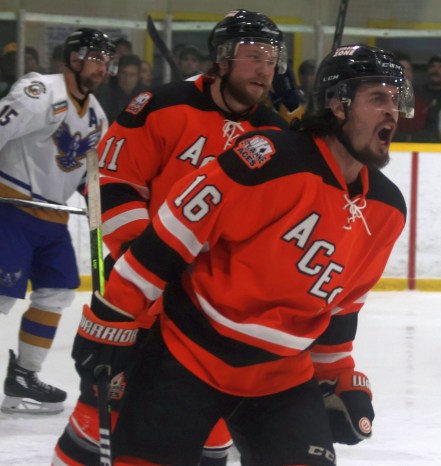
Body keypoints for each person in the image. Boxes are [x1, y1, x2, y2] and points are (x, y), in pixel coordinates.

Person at [68, 43, 413, 465]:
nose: (392, 111)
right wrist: (113, 316)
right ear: (338, 106)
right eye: (378, 98)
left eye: (396, 100)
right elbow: (170, 238)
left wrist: (339, 379)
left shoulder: (388, 208)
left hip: (282, 376)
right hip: (189, 355)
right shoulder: (270, 159)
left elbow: (340, 308)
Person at [52, 9, 289, 466]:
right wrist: (151, 265)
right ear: (221, 58)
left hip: (218, 319)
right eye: (254, 56)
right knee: (100, 420)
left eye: (272, 59)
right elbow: (113, 185)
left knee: (211, 438)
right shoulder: (159, 106)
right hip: (146, 301)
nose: (265, 69)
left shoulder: (277, 135)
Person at [0, 28, 114, 415]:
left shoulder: (98, 116)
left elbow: (92, 178)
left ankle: (24, 375)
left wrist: (101, 214)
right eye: (95, 58)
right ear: (74, 58)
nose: (102, 67)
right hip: (10, 208)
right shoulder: (39, 92)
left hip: (53, 218)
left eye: (105, 60)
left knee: (57, 293)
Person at [95, 53, 147, 124]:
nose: (127, 79)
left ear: (138, 76)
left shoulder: (146, 96)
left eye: (132, 75)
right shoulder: (103, 94)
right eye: (123, 73)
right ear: (118, 74)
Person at [393, 52, 427, 142]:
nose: (405, 74)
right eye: (401, 70)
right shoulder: (385, 100)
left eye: (408, 70)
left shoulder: (423, 98)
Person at [419, 55, 441, 142]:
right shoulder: (417, 93)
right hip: (421, 141)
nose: (436, 70)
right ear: (427, 71)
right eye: (433, 66)